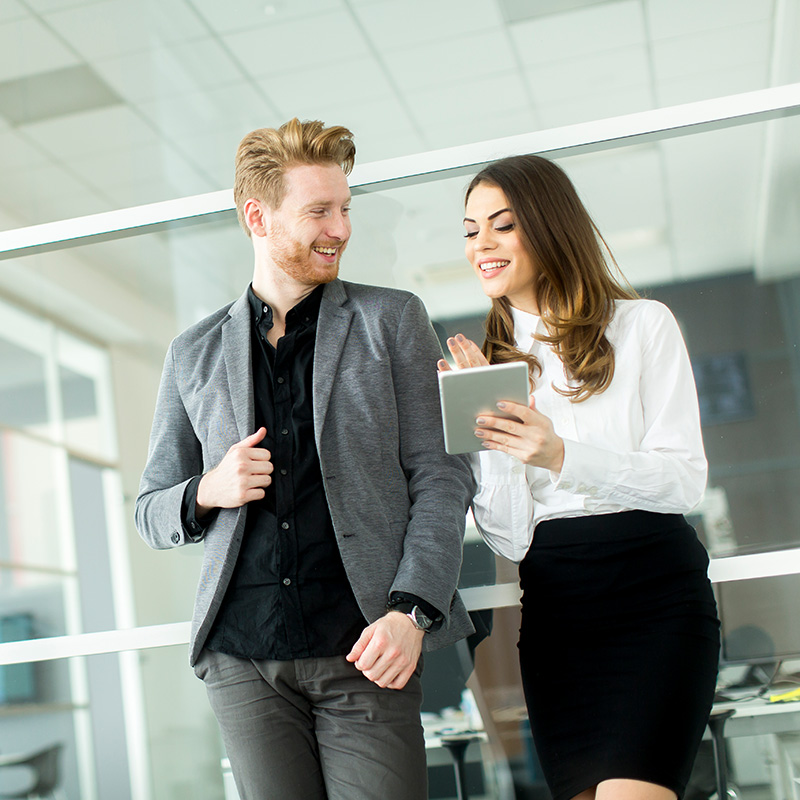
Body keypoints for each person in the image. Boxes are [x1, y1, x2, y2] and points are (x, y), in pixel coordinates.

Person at [135, 118, 475, 800]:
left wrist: (412, 614)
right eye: (319, 210)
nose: (341, 228)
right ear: (257, 216)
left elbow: (442, 477)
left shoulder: (393, 320)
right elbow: (150, 510)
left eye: (344, 209)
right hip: (244, 661)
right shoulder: (192, 353)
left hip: (367, 649)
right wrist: (209, 488)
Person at [441, 154, 720, 800]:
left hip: (655, 601)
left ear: (548, 226)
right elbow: (510, 539)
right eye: (470, 229)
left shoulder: (644, 326)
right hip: (557, 614)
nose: (480, 244)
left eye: (501, 225)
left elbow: (684, 482)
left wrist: (561, 454)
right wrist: (493, 426)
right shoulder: (499, 366)